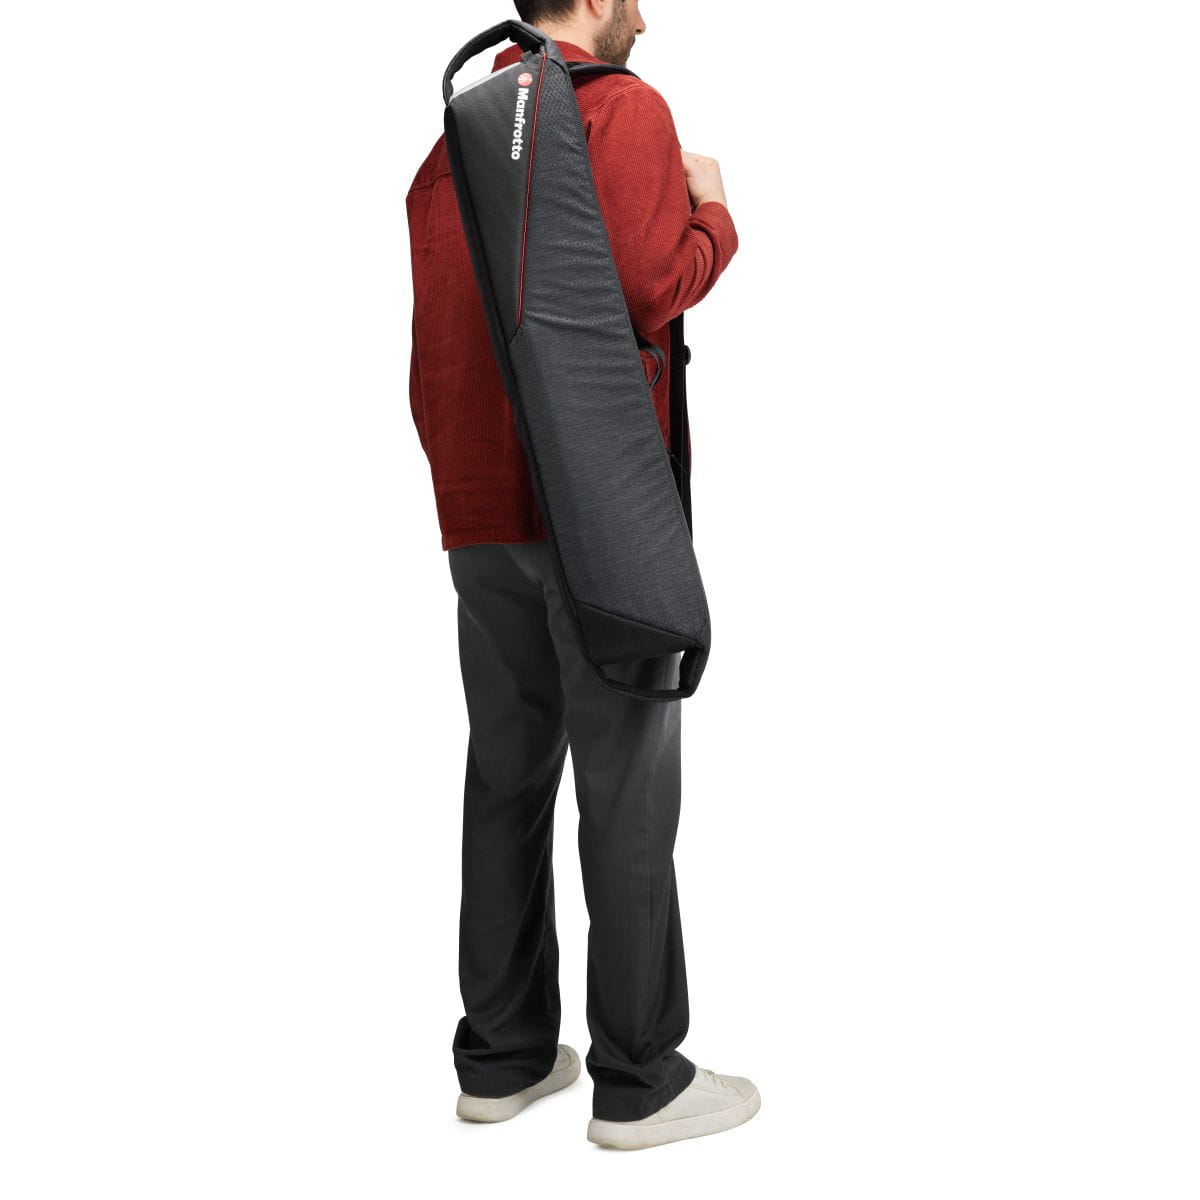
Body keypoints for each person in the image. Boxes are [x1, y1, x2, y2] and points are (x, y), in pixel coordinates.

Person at [406, 0, 757, 1150]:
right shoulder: (621, 113)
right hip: (595, 515)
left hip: (479, 511)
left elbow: (442, 336)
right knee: (628, 784)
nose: (645, 17)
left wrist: (471, 496)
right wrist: (716, 212)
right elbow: (653, 285)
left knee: (506, 776)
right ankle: (640, 1078)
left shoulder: (459, 129)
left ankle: (502, 1058)